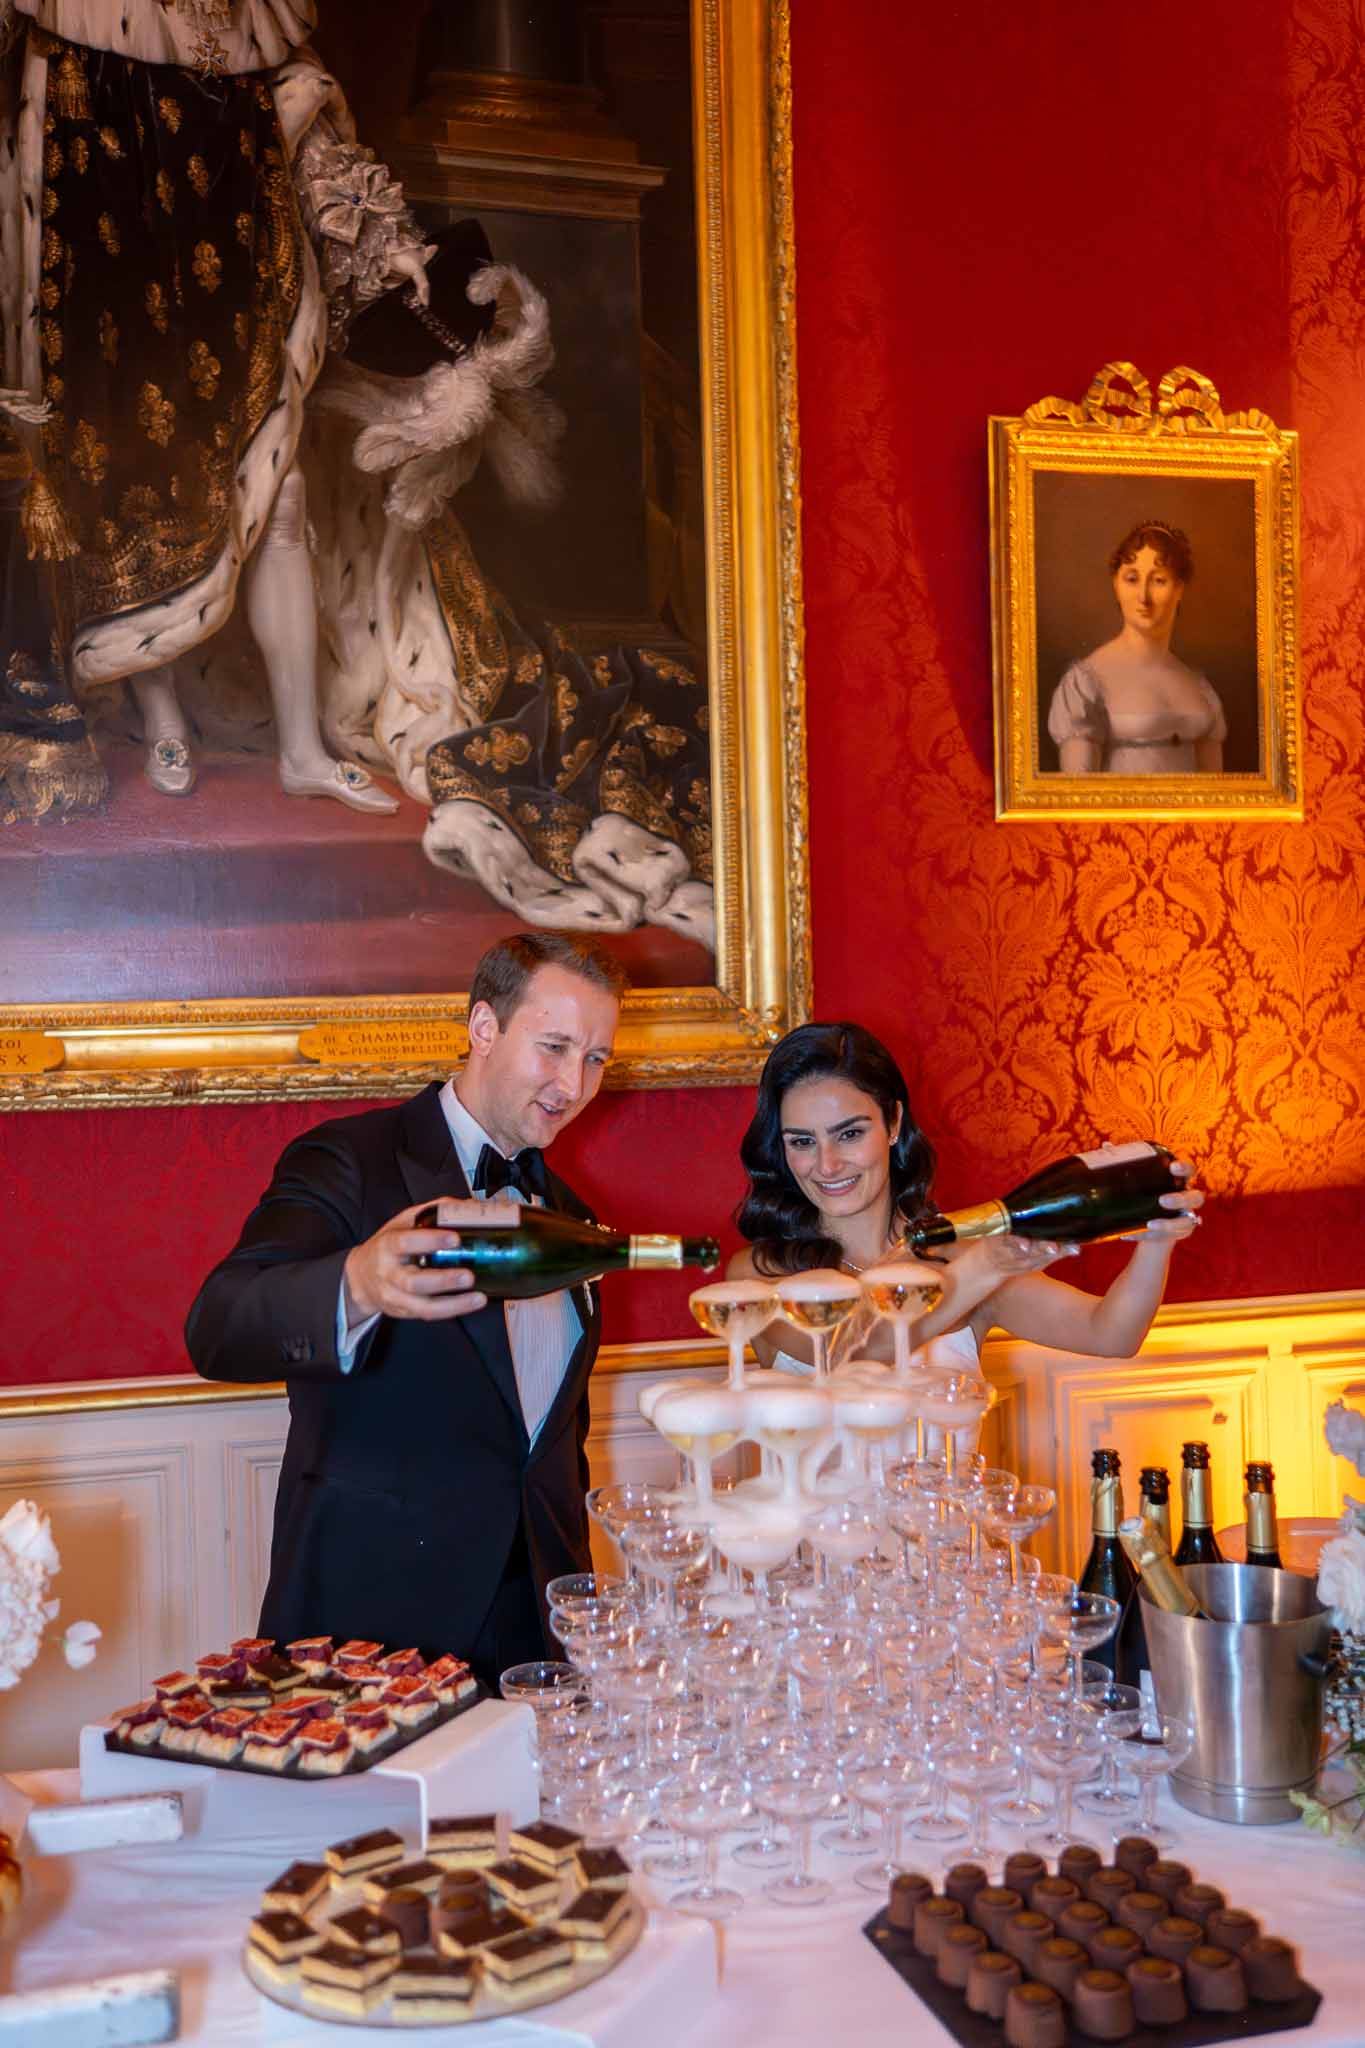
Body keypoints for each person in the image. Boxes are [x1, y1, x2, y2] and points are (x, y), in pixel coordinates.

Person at [0, 0, 430, 815]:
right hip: (99, 263)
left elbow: (306, 111)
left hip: (228, 266)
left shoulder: (247, 11)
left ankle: (301, 745)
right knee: (126, 491)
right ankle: (158, 712)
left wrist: (384, 237)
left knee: (284, 494)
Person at [185, 931, 625, 1690]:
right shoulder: (351, 1160)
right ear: (483, 1028)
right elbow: (219, 1328)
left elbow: (550, 1446)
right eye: (553, 1047)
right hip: (372, 1631)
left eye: (594, 1059)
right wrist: (355, 1282)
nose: (573, 1084)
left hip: (537, 1642)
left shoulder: (574, 1221)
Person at [726, 1021, 1204, 1381]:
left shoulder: (962, 1259)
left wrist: (1156, 1240)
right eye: (802, 1142)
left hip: (948, 1512)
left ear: (893, 1125)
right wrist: (986, 1266)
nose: (827, 1165)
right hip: (810, 1517)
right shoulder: (759, 1276)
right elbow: (849, 1354)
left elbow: (1110, 1334)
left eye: (849, 1134)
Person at [1047, 520, 1226, 775]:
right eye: (1131, 579)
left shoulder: (1199, 688)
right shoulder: (1086, 684)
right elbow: (1080, 799)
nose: (1143, 596)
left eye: (1159, 580)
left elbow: (1216, 799)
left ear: (1179, 590)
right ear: (1116, 585)